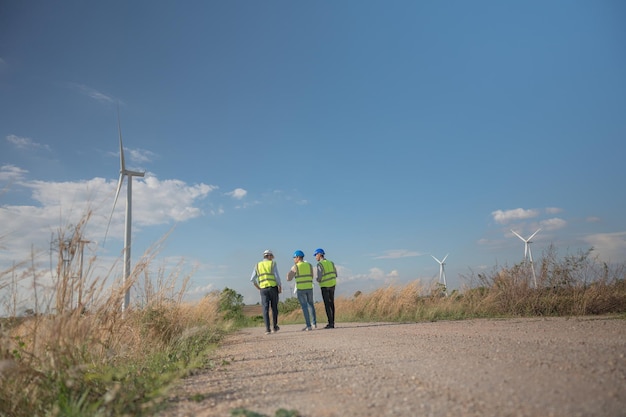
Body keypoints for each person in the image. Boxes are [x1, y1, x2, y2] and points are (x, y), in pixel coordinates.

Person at [251, 249, 282, 335]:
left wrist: (258, 287)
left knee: (265, 308)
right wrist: (280, 285)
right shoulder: (272, 263)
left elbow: (252, 279)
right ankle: (275, 326)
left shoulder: (257, 265)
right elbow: (276, 276)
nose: (272, 258)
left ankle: (267, 329)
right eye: (271, 256)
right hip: (273, 288)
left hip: (263, 289)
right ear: (268, 256)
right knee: (274, 307)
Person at [287, 250, 317, 331]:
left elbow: (289, 278)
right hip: (309, 287)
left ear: (297, 257)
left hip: (301, 289)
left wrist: (289, 272)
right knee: (311, 305)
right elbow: (312, 276)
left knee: (304, 307)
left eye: (294, 258)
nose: (294, 259)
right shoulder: (309, 265)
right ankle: (314, 323)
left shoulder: (295, 267)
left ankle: (308, 325)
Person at [314, 248, 337, 329]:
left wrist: (317, 279)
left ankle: (330, 323)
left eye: (316, 255)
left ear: (320, 254)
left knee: (327, 304)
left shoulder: (320, 264)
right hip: (333, 285)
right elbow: (335, 274)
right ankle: (332, 322)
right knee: (332, 304)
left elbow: (319, 277)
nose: (315, 257)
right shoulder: (331, 263)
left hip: (325, 286)